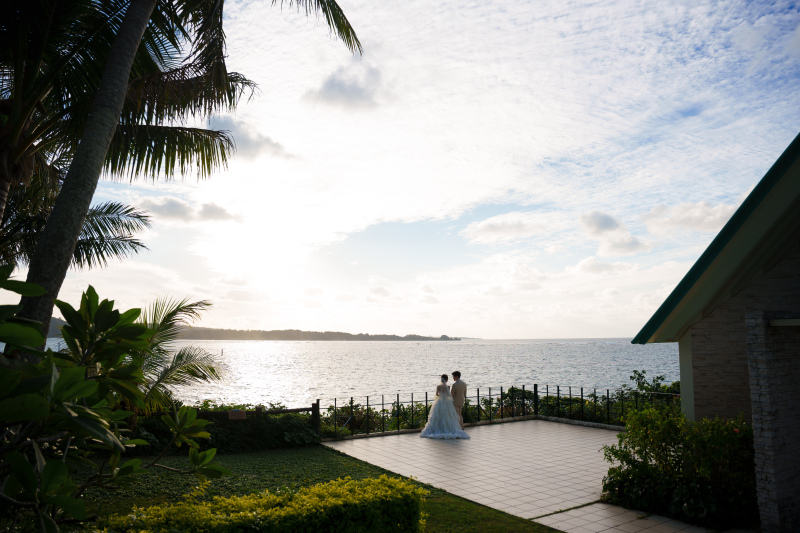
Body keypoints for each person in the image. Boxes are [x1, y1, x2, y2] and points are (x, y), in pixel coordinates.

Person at [419, 374, 470, 439]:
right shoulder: (448, 386)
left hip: (440, 402)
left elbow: (437, 394)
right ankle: (454, 428)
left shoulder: (438, 386)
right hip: (447, 402)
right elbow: (449, 395)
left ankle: (439, 428)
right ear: (446, 379)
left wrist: (441, 395)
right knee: (448, 416)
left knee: (438, 416)